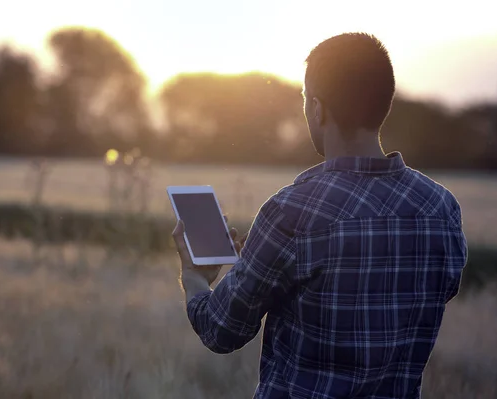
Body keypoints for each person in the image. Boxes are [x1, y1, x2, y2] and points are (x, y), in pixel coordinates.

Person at [172, 32, 468, 399]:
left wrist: (194, 277)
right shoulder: (441, 209)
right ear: (383, 103)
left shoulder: (292, 212)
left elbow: (220, 329)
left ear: (318, 107)